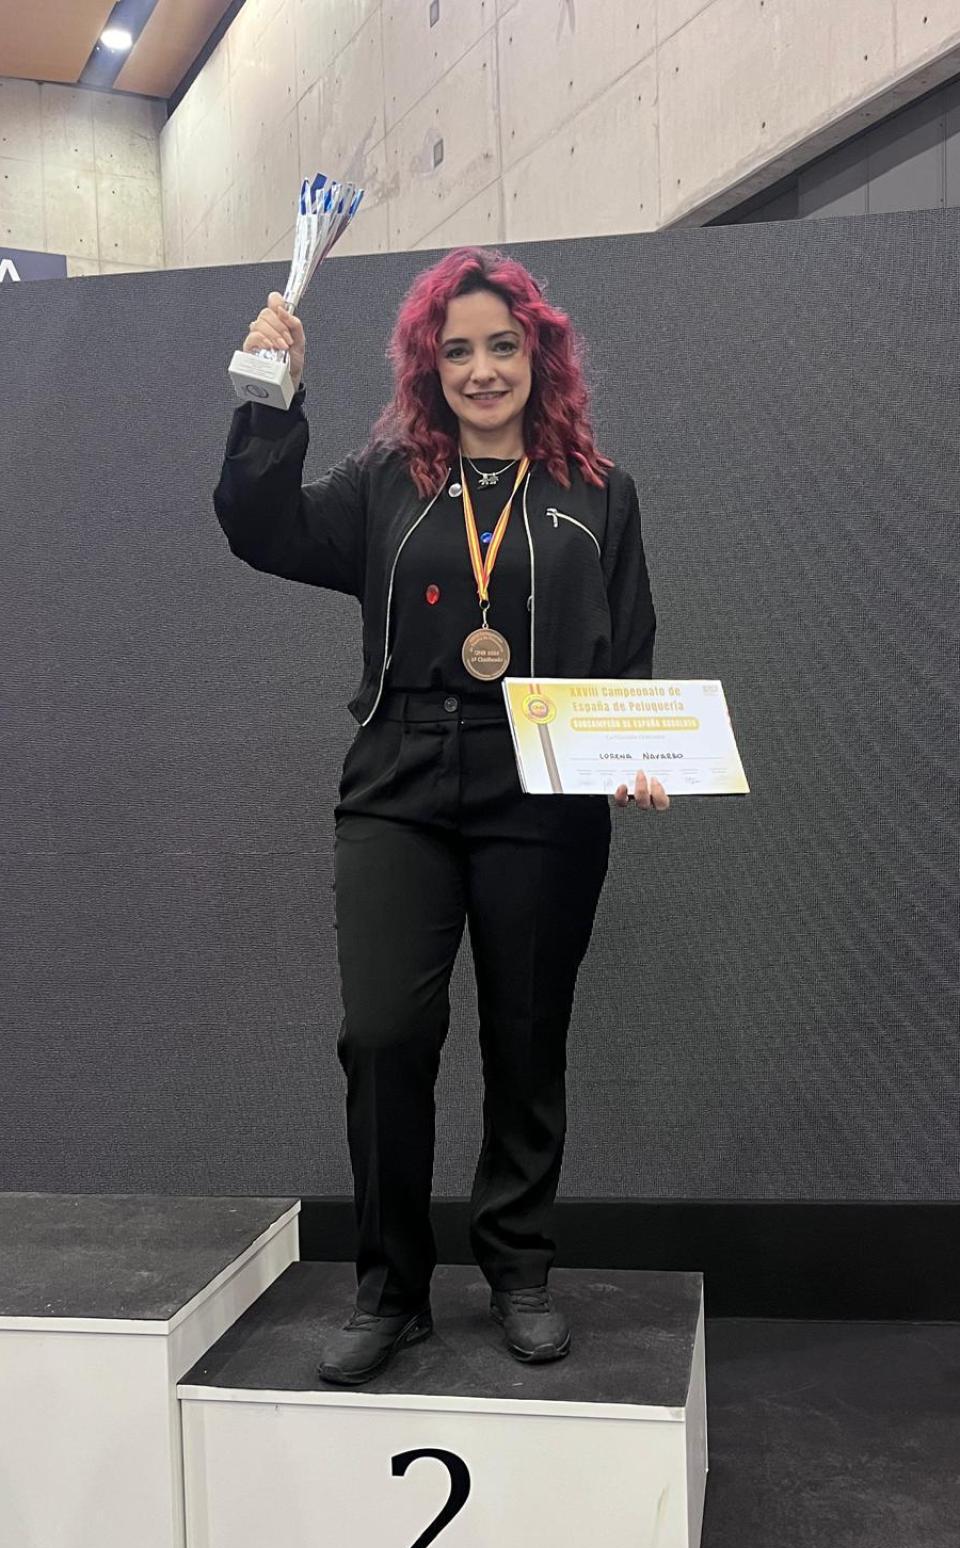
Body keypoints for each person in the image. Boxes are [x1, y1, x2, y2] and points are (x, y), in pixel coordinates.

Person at [213, 245, 669, 1387]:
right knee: (384, 1034)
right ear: (430, 365)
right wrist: (271, 399)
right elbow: (259, 529)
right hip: (400, 781)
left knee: (526, 1036)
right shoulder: (384, 483)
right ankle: (392, 1287)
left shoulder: (599, 494)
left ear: (539, 355)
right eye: (457, 350)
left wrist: (638, 754)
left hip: (543, 781)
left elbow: (629, 657)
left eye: (501, 346)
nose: (481, 370)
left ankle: (518, 1267)